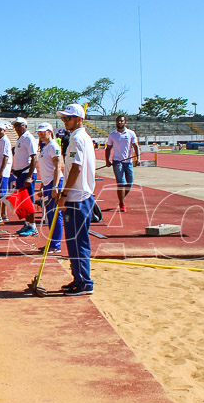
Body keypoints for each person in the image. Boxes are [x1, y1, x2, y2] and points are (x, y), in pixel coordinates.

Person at [53, 104, 96, 296]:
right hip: (78, 196)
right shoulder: (79, 138)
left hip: (77, 198)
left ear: (79, 119)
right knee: (74, 241)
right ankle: (78, 278)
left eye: (68, 118)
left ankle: (84, 282)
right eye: (63, 119)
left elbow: (76, 169)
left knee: (78, 242)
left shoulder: (78, 138)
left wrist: (63, 195)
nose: (65, 122)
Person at [36, 122, 63, 254]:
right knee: (50, 214)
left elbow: (57, 166)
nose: (40, 135)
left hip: (54, 182)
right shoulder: (45, 147)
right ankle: (52, 242)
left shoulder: (53, 146)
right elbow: (45, 168)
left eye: (43, 133)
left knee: (55, 214)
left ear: (49, 132)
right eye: (39, 133)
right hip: (47, 183)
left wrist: (55, 186)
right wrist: (42, 185)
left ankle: (56, 244)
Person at [9, 117, 39, 236]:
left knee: (28, 201)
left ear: (25, 125)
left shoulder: (28, 138)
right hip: (21, 173)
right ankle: (27, 223)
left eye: (18, 125)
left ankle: (33, 226)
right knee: (21, 200)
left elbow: (34, 157)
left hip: (27, 173)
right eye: (15, 126)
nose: (16, 128)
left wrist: (29, 176)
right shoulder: (21, 139)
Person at [104, 115, 140, 212]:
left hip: (128, 162)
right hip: (117, 162)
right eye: (118, 121)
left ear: (125, 122)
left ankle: (121, 198)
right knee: (121, 183)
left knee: (130, 183)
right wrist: (107, 160)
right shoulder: (112, 135)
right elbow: (108, 148)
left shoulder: (130, 133)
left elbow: (135, 146)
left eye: (121, 121)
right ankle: (122, 203)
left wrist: (138, 158)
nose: (119, 122)